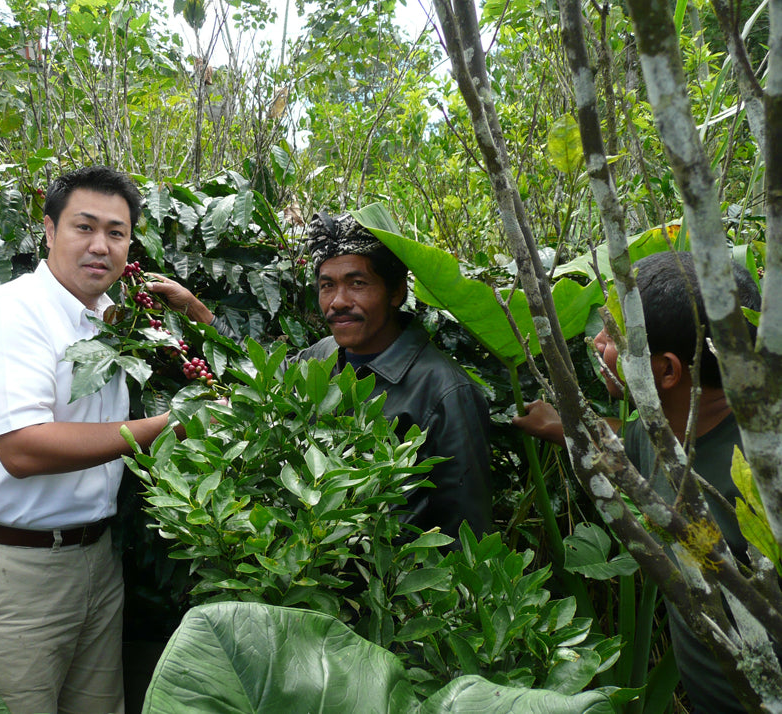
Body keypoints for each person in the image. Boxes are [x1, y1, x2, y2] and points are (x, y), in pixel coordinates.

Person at [0, 166, 177, 714]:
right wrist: (166, 429)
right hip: (15, 568)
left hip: (95, 559)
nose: (101, 246)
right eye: (84, 227)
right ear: (48, 232)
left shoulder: (106, 318)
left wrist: (190, 312)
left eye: (116, 233)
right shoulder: (12, 314)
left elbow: (215, 373)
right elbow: (23, 448)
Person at [513, 251, 762, 714]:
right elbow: (630, 442)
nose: (597, 341)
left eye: (613, 334)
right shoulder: (673, 427)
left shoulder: (756, 482)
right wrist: (564, 425)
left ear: (666, 371)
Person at [147, 210, 492, 538]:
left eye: (357, 283)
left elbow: (464, 527)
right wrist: (196, 311)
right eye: (327, 285)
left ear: (397, 292)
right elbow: (266, 373)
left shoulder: (446, 391)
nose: (338, 301)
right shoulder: (325, 355)